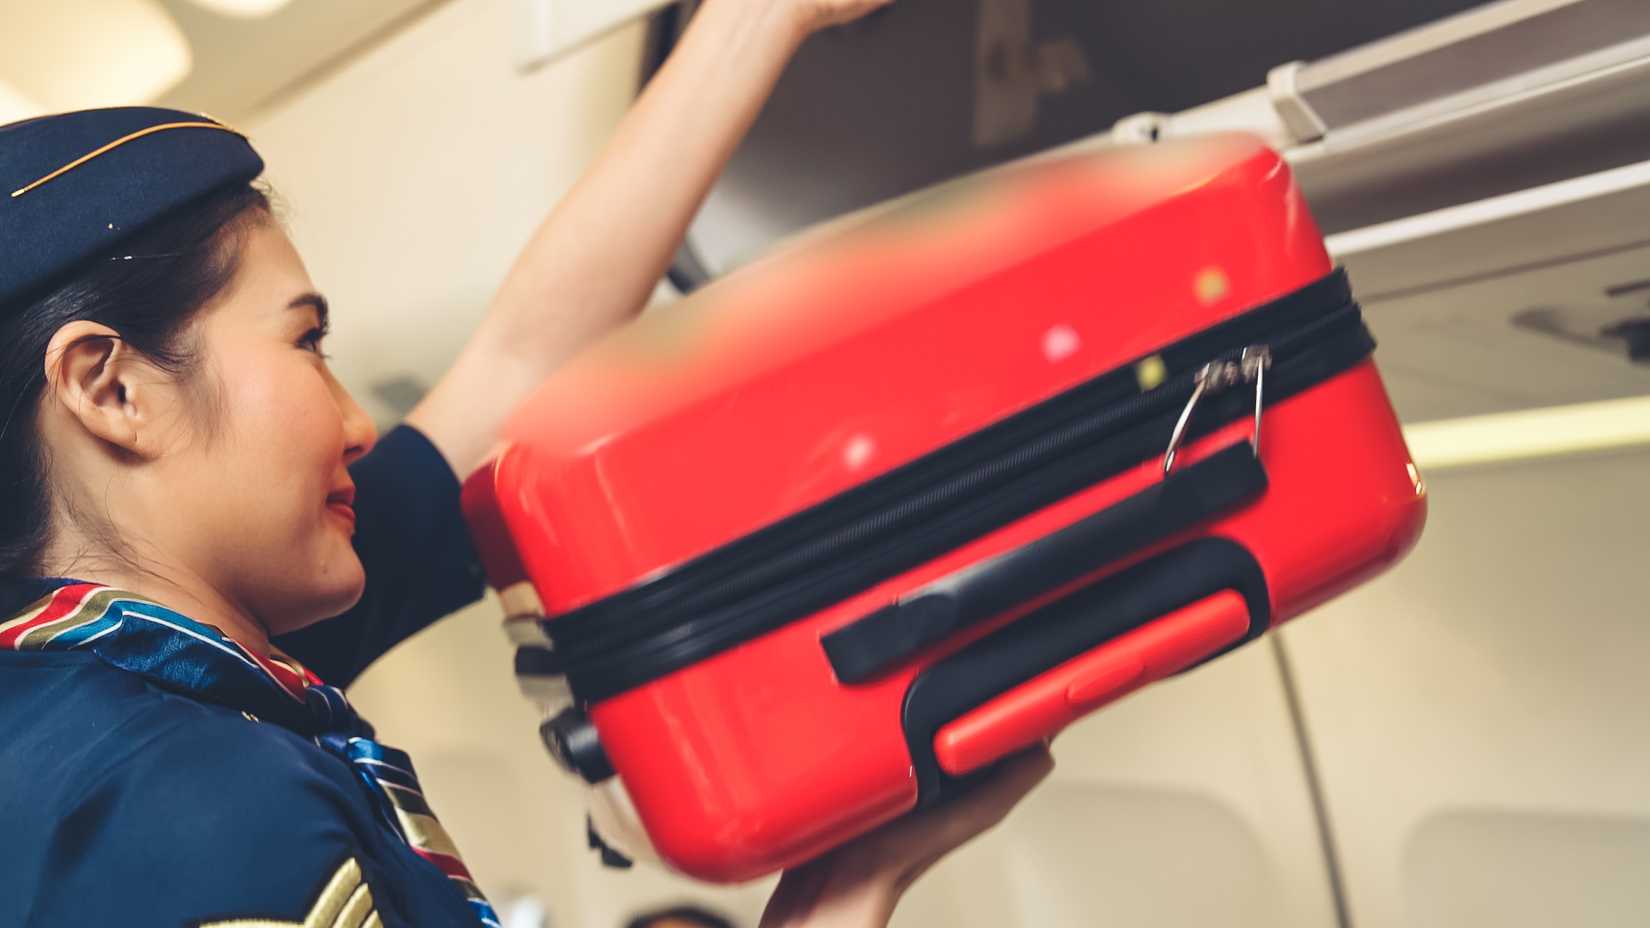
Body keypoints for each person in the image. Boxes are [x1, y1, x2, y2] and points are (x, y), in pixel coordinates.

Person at [0, 1, 1053, 926]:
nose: (358, 425)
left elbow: (519, 365)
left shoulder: (153, 688)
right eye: (305, 342)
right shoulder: (186, 801)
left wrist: (761, 17)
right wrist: (850, 896)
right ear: (111, 388)